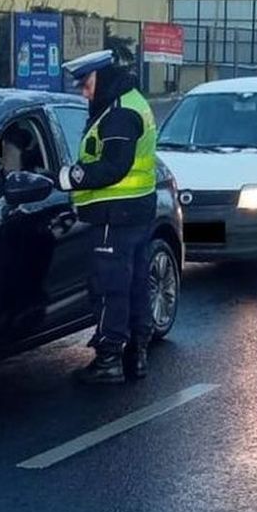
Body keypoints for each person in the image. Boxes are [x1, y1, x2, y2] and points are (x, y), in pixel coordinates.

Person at [55, 49, 158, 384]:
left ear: (101, 76)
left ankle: (109, 360)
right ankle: (136, 355)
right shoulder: (130, 101)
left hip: (116, 214)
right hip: (137, 211)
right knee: (136, 284)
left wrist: (72, 177)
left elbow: (114, 166)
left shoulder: (119, 114)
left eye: (86, 83)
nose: (84, 91)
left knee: (110, 287)